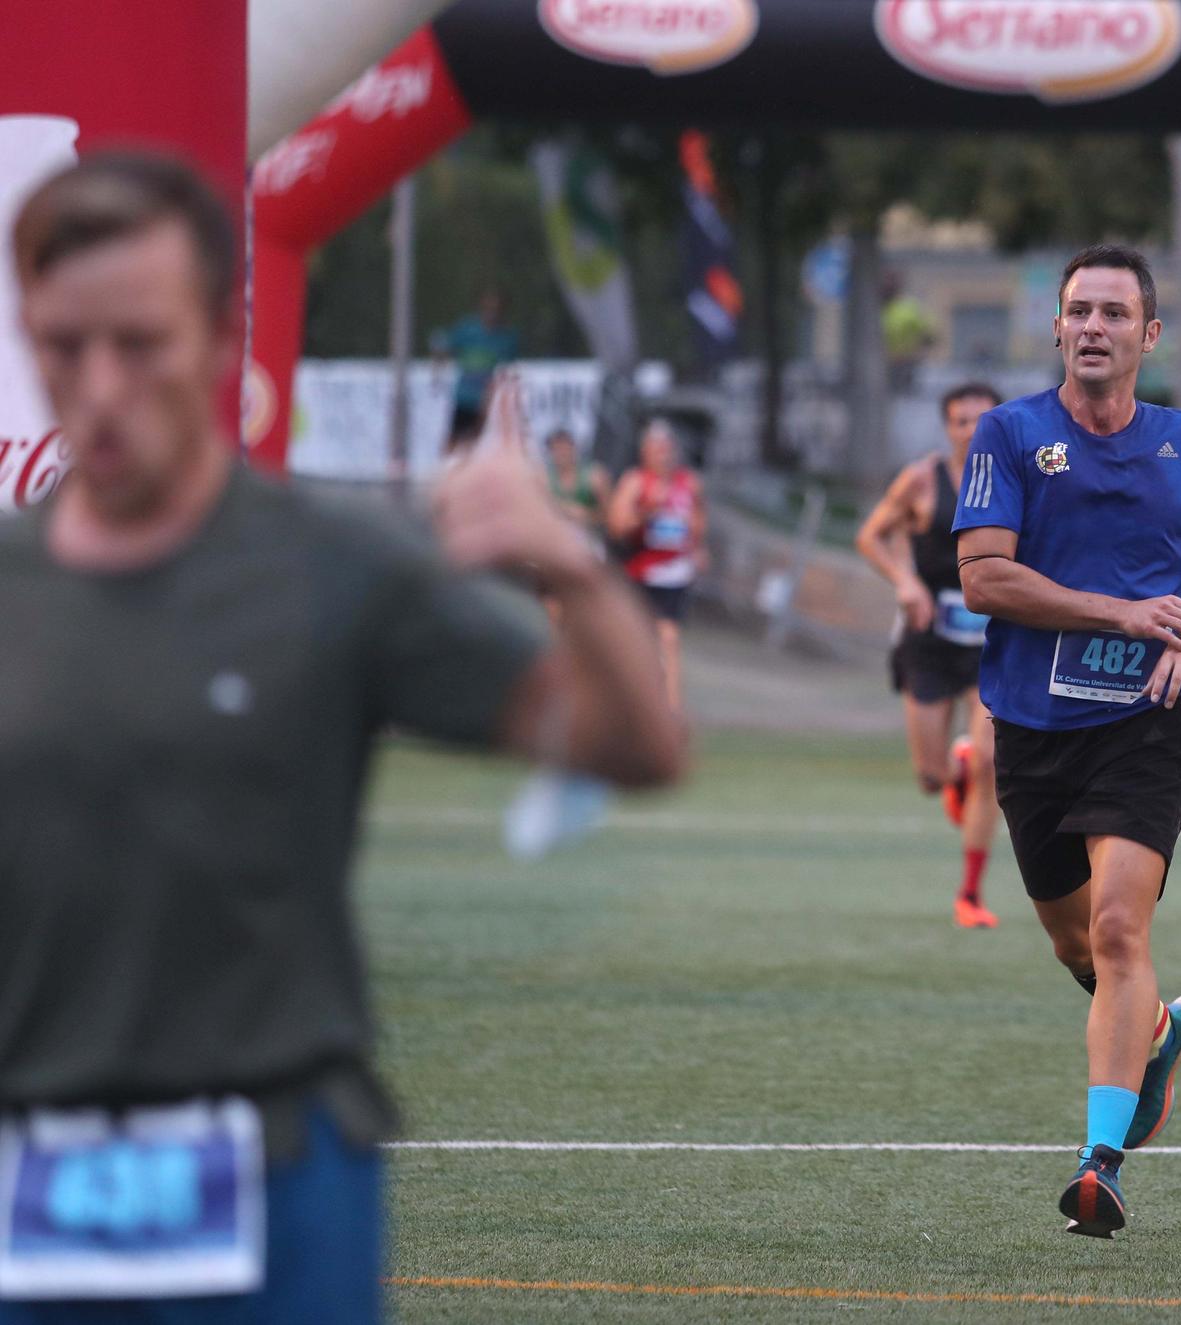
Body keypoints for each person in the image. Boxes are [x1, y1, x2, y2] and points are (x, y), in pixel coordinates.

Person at [0, 151, 684, 1323]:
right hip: (32, 1166)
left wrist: (565, 556)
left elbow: (631, 744)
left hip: (279, 1162)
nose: (100, 385)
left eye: (141, 342)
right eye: (64, 347)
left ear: (220, 339)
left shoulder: (335, 561)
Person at [954, 244, 1181, 1238]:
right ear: (1056, 328)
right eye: (1078, 311)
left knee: (1118, 930)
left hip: (1144, 727)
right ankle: (1160, 1033)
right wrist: (1121, 614)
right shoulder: (1006, 433)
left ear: (1149, 334)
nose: (1093, 327)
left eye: (1113, 313)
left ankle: (1100, 1163)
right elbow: (983, 578)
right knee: (1070, 938)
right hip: (1032, 730)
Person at [855, 382, 1004, 929]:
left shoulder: (1020, 479)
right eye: (961, 420)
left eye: (982, 419)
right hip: (930, 639)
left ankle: (970, 894)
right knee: (928, 777)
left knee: (992, 764)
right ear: (947, 427)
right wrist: (905, 581)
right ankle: (952, 773)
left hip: (994, 642)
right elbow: (871, 536)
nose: (971, 429)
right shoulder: (921, 479)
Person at [608, 417, 706, 712]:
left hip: (674, 573)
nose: (664, 453)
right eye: (657, 448)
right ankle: (626, 702)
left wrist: (698, 546)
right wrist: (647, 511)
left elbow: (699, 516)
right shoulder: (635, 482)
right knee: (635, 640)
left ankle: (672, 710)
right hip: (639, 571)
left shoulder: (688, 482)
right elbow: (616, 527)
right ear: (645, 452)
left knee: (669, 637)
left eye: (668, 447)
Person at [432, 287, 518, 450]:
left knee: (477, 443)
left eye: (496, 307)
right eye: (488, 307)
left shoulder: (507, 336)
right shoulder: (467, 328)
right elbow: (446, 349)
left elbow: (508, 370)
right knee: (454, 439)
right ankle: (449, 471)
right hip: (465, 396)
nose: (491, 312)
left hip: (490, 401)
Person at [545, 426, 609, 542]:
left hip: (590, 538)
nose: (561, 453)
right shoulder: (543, 479)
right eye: (556, 449)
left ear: (573, 448)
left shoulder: (594, 476)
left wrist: (588, 516)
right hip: (555, 540)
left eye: (564, 448)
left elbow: (611, 517)